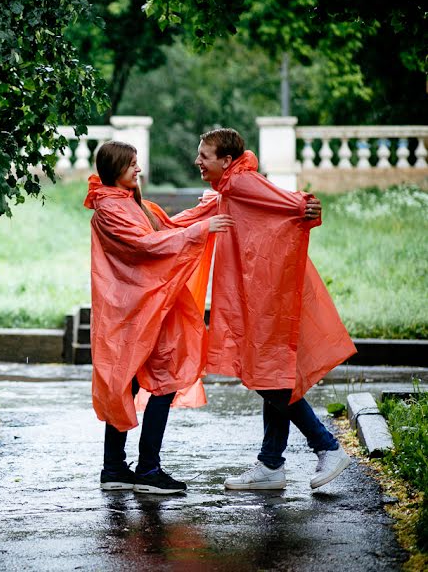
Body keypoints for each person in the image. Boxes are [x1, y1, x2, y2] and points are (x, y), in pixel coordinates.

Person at [170, 128, 356, 490]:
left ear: (225, 161)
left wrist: (305, 206)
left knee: (266, 376)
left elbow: (290, 203)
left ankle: (326, 446)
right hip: (256, 296)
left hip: (263, 298)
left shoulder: (240, 183)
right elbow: (196, 215)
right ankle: (271, 464)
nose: (197, 161)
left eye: (203, 156)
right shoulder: (229, 188)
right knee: (271, 373)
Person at [85, 141, 234, 494]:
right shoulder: (112, 209)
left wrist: (207, 211)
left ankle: (115, 468)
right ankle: (147, 470)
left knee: (131, 382)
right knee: (161, 382)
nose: (138, 169)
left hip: (142, 307)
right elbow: (146, 245)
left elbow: (166, 227)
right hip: (133, 309)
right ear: (115, 169)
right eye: (132, 164)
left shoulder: (128, 203)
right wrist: (202, 229)